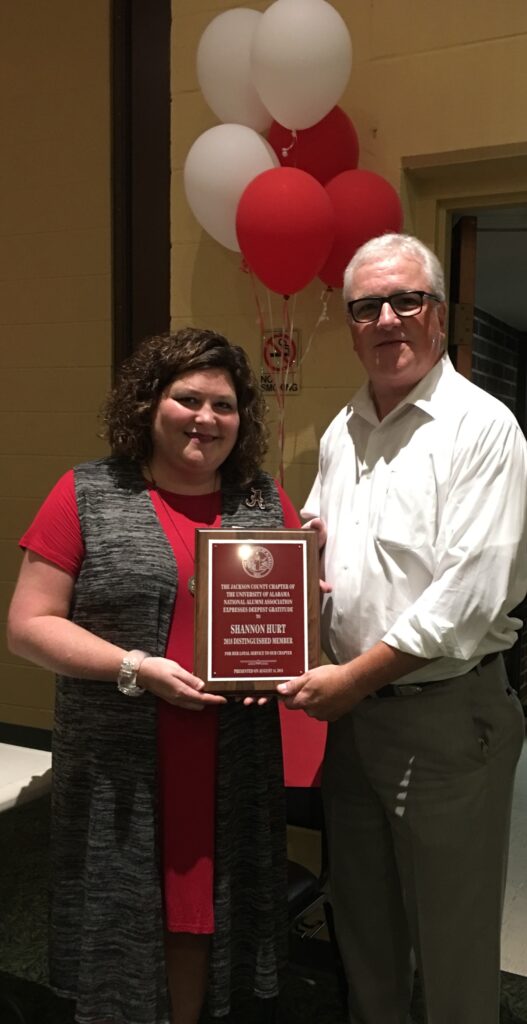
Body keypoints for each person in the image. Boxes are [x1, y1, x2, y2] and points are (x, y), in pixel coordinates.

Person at [7, 327, 302, 1024]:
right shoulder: (87, 492)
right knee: (125, 908)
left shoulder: (262, 502)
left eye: (224, 405)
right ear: (149, 404)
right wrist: (136, 667)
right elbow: (29, 626)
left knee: (205, 906)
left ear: (242, 419)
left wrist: (300, 619)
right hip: (122, 760)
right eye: (187, 398)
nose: (205, 418)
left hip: (229, 755)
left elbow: (285, 619)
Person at [277, 233, 527, 1024]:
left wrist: (348, 680)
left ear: (439, 313)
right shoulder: (341, 429)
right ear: (349, 325)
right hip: (354, 726)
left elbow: (468, 596)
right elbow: (321, 541)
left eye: (405, 300)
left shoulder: (482, 429)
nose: (386, 320)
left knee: (451, 945)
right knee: (365, 928)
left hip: (445, 720)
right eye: (365, 307)